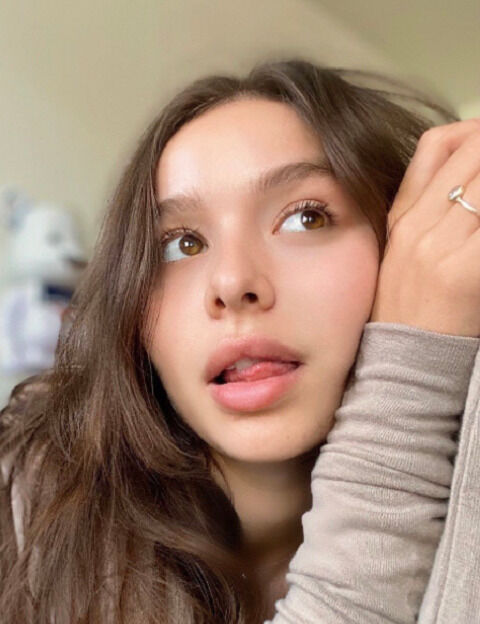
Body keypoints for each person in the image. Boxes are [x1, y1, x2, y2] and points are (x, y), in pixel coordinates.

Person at [0, 57, 479, 624]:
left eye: (306, 218)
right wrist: (408, 383)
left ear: (407, 248)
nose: (231, 283)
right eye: (181, 244)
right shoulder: (26, 503)